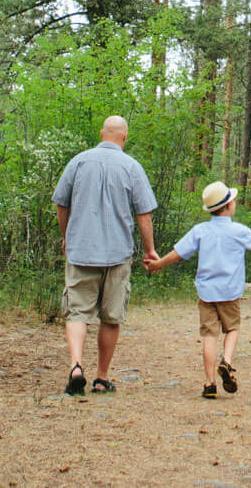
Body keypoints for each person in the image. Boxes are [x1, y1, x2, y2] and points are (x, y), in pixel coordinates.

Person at [144, 180, 251, 397]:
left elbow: (178, 253)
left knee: (209, 336)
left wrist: (158, 264)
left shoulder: (200, 230)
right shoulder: (238, 231)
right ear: (229, 206)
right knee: (232, 329)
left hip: (206, 292)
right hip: (230, 292)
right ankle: (226, 361)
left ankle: (209, 384)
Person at [53, 115, 158, 396]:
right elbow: (143, 214)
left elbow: (61, 204)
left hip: (81, 250)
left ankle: (76, 366)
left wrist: (66, 237)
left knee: (77, 312)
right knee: (111, 317)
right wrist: (150, 250)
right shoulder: (132, 167)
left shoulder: (78, 162)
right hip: (117, 253)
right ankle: (101, 377)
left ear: (102, 134)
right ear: (124, 137)